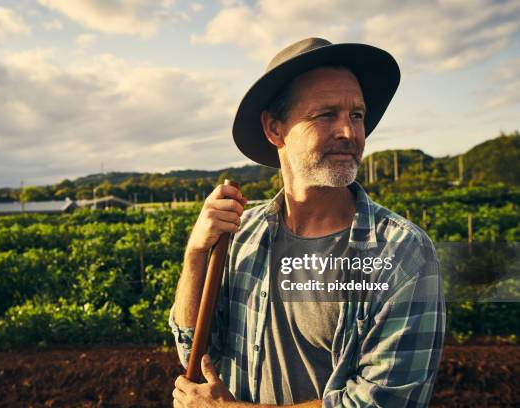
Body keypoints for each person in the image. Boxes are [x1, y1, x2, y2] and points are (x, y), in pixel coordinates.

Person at [169, 38, 445, 407]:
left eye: (357, 115)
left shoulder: (402, 253)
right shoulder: (243, 235)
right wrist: (195, 255)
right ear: (275, 129)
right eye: (325, 114)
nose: (349, 132)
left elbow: (383, 402)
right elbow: (195, 352)